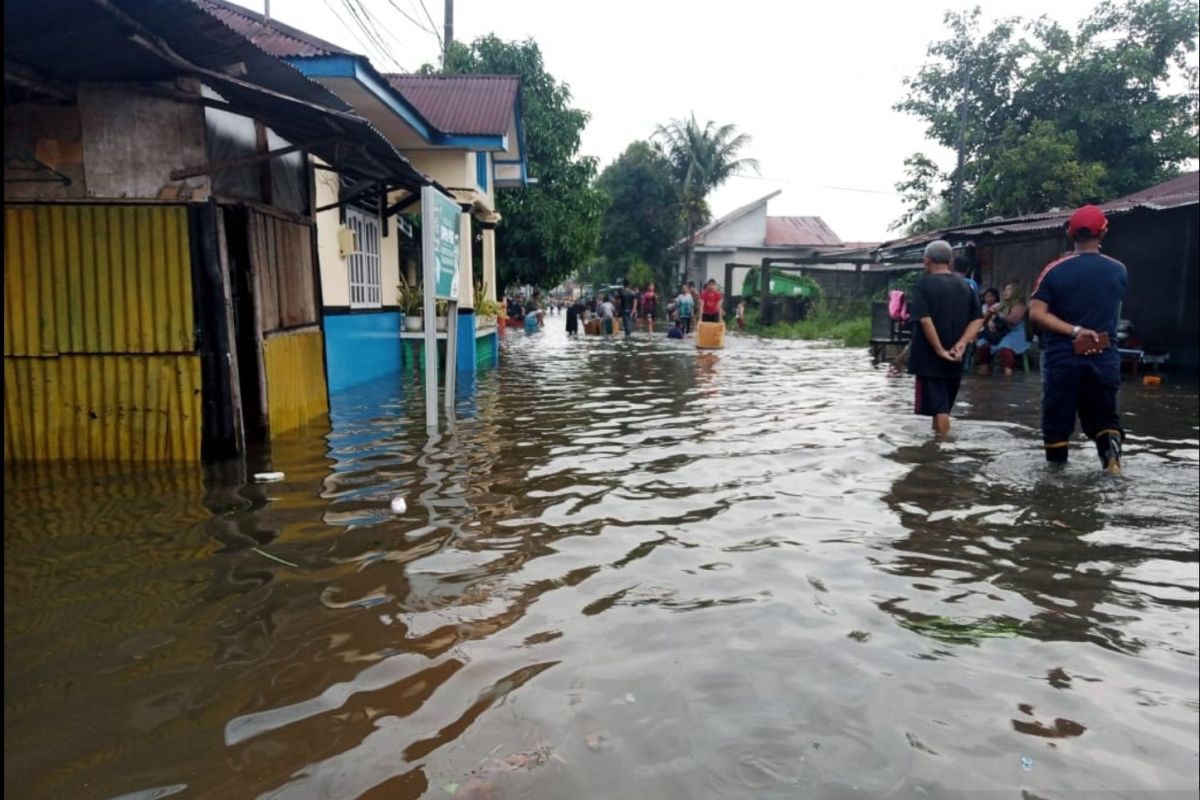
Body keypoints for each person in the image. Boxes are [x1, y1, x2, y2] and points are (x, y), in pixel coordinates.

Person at [1029, 205, 1128, 473]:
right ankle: (1111, 462)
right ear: (1104, 231)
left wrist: (1074, 330)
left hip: (1063, 357)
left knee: (1057, 421)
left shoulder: (1054, 270)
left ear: (1070, 233)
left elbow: (1036, 313)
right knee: (1105, 417)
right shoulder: (1119, 270)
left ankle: (1055, 484)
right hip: (1104, 356)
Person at [907, 240, 984, 437]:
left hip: (930, 358)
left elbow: (925, 321)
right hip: (956, 356)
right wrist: (961, 344)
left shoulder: (922, 285)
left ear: (926, 261)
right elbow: (977, 320)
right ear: (950, 261)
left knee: (939, 408)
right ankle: (938, 445)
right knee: (944, 407)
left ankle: (941, 453)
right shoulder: (965, 286)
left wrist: (939, 350)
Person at [975, 281, 1031, 376]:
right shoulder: (1001, 305)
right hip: (1002, 333)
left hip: (1016, 334)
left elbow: (1013, 321)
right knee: (984, 346)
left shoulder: (1020, 306)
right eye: (1005, 289)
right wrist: (989, 316)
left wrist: (998, 314)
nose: (1005, 291)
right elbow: (985, 323)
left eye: (1009, 289)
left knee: (1005, 349)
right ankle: (984, 374)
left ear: (1016, 292)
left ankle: (1008, 377)